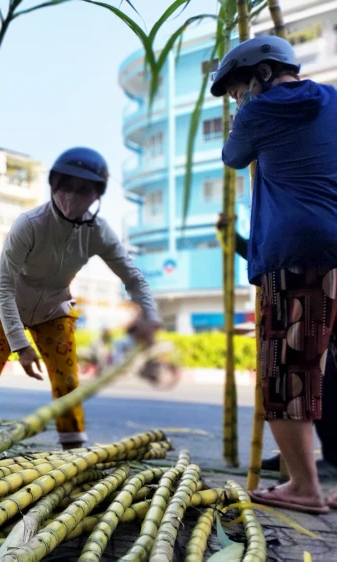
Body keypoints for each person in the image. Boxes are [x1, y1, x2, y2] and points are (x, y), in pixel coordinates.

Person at [0, 148, 160, 449]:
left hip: (53, 309)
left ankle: (73, 449)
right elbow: (6, 286)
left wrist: (150, 319)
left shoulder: (98, 232)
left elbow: (133, 278)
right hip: (3, 306)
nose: (72, 196)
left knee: (67, 382)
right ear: (53, 186)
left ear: (96, 196)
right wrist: (21, 346)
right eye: (66, 186)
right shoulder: (29, 224)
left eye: (84, 190)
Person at [212, 35, 337, 513]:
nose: (240, 97)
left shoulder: (256, 112)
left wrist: (242, 115)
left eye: (240, 87)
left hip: (294, 252)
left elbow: (232, 157)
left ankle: (304, 486)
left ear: (262, 74)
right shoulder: (331, 99)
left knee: (289, 373)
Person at [216, 213, 337, 476]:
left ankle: (330, 458)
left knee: (319, 378)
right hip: (307, 265)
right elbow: (269, 251)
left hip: (320, 266)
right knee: (304, 377)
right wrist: (233, 237)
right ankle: (294, 457)